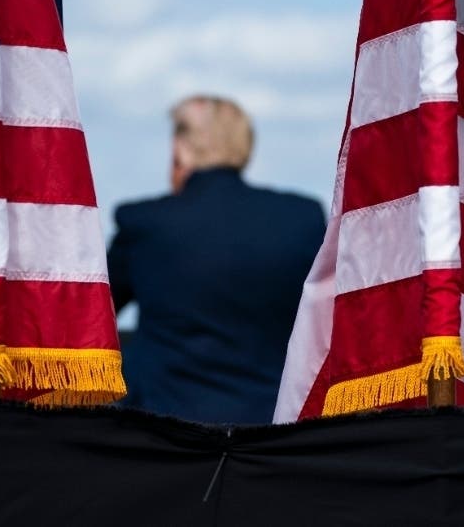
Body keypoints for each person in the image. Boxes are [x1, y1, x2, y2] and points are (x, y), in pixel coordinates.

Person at [108, 95, 326, 424]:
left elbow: (98, 315)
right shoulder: (303, 218)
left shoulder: (145, 222)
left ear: (180, 149)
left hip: (163, 438)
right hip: (273, 435)